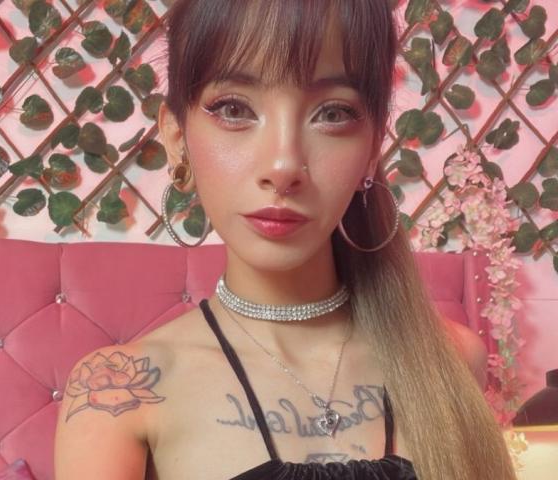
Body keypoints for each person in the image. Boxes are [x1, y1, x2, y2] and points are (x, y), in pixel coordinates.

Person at [54, 1, 517, 479]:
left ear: (373, 148)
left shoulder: (452, 359)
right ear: (176, 138)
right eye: (234, 109)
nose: (283, 166)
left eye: (333, 113)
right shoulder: (116, 397)